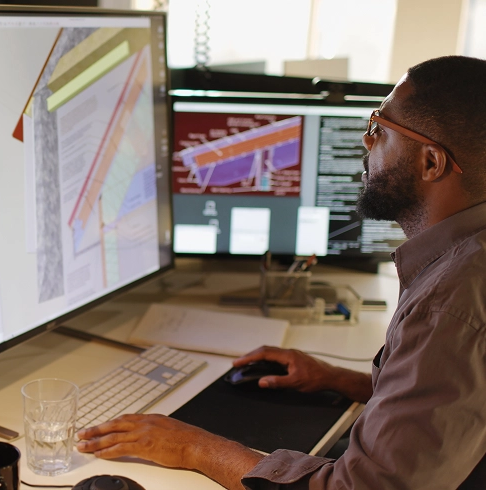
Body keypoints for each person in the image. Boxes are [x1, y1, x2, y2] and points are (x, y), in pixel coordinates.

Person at [76, 55, 486, 489]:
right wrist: (337, 380)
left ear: (431, 163)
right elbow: (448, 403)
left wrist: (192, 447)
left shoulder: (450, 304)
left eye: (380, 128)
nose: (366, 141)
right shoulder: (464, 262)